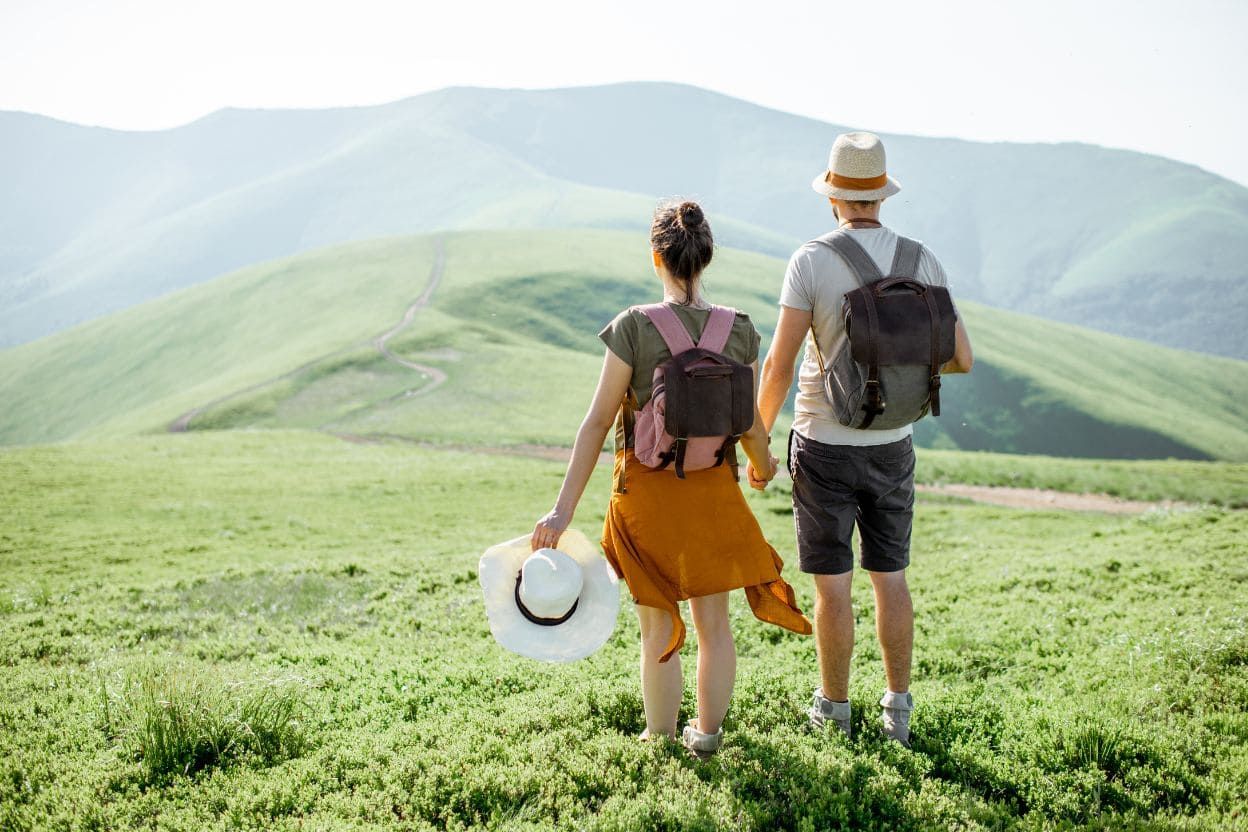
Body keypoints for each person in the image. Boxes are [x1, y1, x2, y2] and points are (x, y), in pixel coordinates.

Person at [532, 200, 811, 759]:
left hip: (646, 498)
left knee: (658, 629)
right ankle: (706, 736)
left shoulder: (634, 328)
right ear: (706, 257)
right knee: (715, 627)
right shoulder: (740, 331)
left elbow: (595, 424)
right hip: (713, 495)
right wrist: (761, 468)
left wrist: (561, 512)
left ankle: (658, 739)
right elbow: (752, 427)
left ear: (656, 256)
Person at [754, 132, 974, 747]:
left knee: (833, 587)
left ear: (832, 196)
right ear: (881, 195)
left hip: (822, 444)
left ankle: (834, 710)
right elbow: (960, 359)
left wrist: (760, 445)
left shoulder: (812, 259)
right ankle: (898, 711)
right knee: (892, 578)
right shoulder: (922, 260)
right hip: (894, 444)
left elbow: (779, 364)